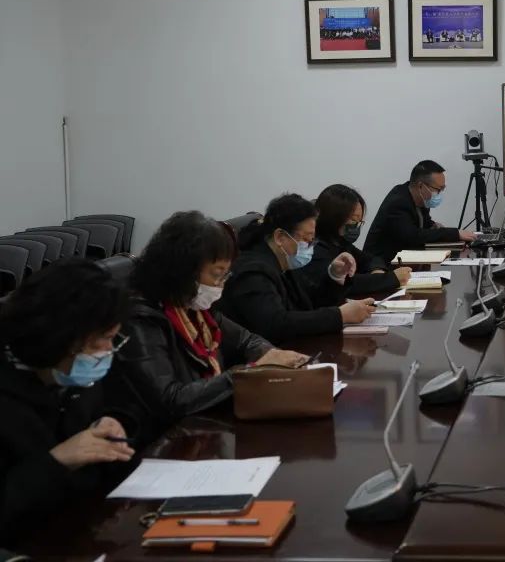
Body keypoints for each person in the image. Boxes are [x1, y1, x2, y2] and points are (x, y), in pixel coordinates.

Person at [112, 212, 308, 442]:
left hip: (207, 425)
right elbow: (172, 400)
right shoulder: (141, 320)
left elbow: (246, 340)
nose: (220, 285)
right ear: (183, 271)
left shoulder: (196, 307)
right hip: (166, 441)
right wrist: (247, 372)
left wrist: (272, 356)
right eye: (216, 275)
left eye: (225, 275)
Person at [0, 260, 135, 546]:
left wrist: (111, 425)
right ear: (63, 339)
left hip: (85, 527)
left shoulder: (72, 373)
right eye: (104, 340)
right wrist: (58, 461)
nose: (109, 350)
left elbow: (113, 409)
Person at [217, 193, 376, 344]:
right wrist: (340, 316)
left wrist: (334, 275)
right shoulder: (252, 272)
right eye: (306, 239)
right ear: (280, 237)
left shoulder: (283, 261)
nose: (309, 246)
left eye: (312, 240)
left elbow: (311, 303)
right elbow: (275, 324)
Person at [299, 184, 411, 306]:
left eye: (359, 222)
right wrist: (390, 279)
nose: (356, 226)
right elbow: (347, 283)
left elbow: (371, 259)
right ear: (334, 217)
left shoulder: (339, 241)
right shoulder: (314, 246)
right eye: (353, 220)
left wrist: (377, 270)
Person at [363, 160, 477, 264]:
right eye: (438, 190)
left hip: (405, 262)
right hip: (379, 266)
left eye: (443, 189)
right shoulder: (398, 202)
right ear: (421, 186)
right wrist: (454, 233)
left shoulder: (421, 199)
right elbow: (413, 236)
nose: (439, 194)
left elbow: (425, 225)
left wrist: (435, 227)